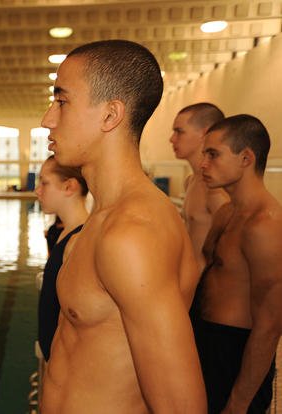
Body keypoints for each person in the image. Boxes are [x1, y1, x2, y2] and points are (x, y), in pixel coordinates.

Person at [40, 39, 206, 413]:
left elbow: (181, 407)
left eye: (62, 101)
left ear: (110, 115)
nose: (48, 118)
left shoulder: (132, 233)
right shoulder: (102, 221)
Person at [195, 114, 282, 413]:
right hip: (205, 343)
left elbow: (270, 325)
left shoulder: (266, 225)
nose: (203, 163)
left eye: (213, 154)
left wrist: (239, 402)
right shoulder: (226, 213)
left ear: (246, 158)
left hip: (235, 354)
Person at [35, 155, 89, 362]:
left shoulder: (80, 241)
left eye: (45, 183)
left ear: (69, 187)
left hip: (67, 366)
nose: (37, 190)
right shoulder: (65, 234)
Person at [170, 103, 229, 272]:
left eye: (179, 132)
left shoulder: (214, 188)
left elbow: (232, 245)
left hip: (206, 285)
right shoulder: (191, 181)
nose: (172, 139)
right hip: (190, 281)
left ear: (205, 133)